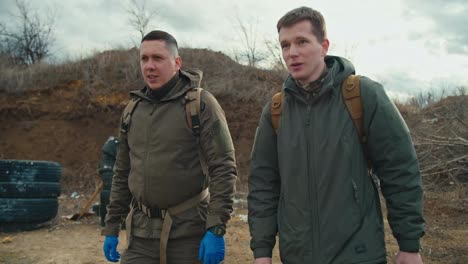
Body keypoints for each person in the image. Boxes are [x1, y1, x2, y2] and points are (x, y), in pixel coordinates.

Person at [247, 6, 425, 264]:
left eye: (302, 42)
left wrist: (409, 244)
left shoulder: (363, 95)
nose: (292, 52)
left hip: (358, 253)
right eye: (285, 45)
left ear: (324, 45)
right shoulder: (276, 111)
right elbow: (263, 183)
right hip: (297, 255)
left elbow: (400, 169)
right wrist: (262, 251)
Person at [102, 30, 237, 264]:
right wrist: (112, 225)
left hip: (189, 234)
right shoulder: (132, 111)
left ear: (177, 63)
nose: (149, 66)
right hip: (141, 236)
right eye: (144, 59)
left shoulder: (200, 105)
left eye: (157, 58)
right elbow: (122, 171)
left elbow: (224, 167)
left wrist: (216, 227)